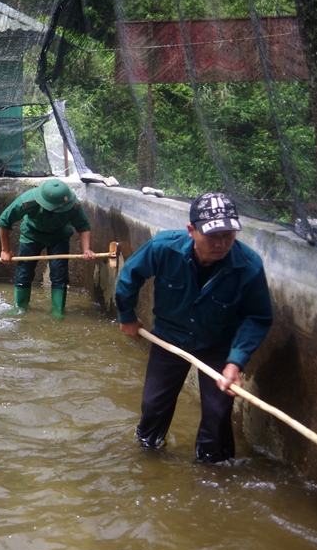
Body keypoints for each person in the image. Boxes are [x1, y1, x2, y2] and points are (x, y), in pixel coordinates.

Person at [115, 192, 273, 463]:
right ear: (192, 230)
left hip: (218, 345)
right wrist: (127, 315)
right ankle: (146, 455)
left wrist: (235, 362)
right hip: (170, 338)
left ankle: (213, 470)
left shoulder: (248, 265)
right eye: (212, 236)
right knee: (153, 406)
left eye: (228, 235)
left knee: (217, 414)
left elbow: (257, 317)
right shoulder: (165, 248)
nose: (221, 244)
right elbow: (131, 275)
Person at [0, 178, 94, 317]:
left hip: (58, 237)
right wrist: (5, 250)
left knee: (59, 274)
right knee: (24, 272)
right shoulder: (28, 200)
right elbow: (4, 221)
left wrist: (86, 250)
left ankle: (57, 311)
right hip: (31, 236)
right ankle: (21, 307)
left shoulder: (73, 204)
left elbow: (83, 226)